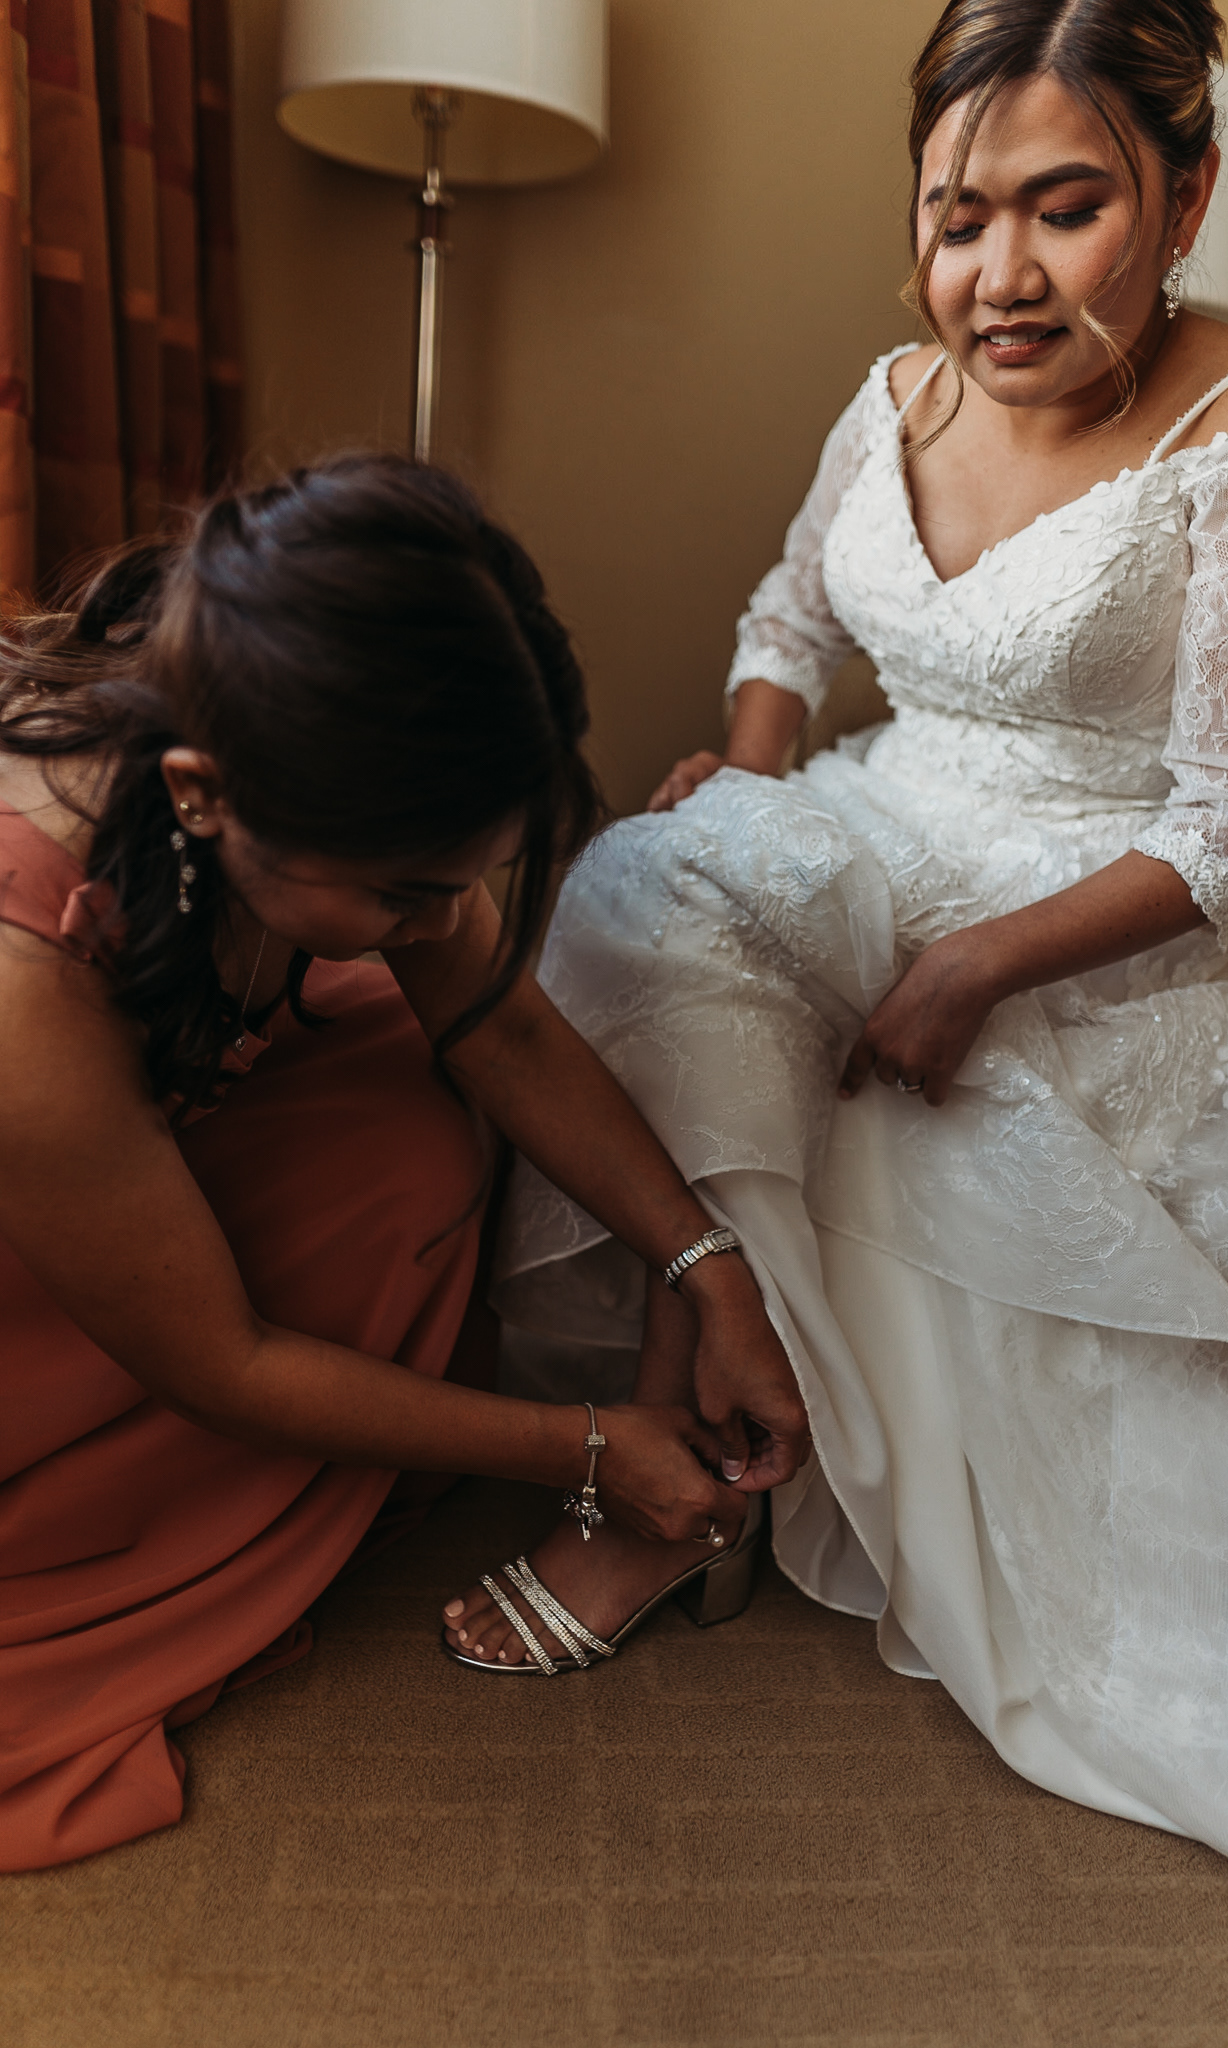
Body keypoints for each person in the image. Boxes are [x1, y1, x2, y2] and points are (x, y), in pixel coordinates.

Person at [470, 0, 1228, 1923]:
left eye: (1065, 208)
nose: (998, 275)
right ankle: (702, 1414)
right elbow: (788, 620)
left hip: (1092, 925)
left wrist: (971, 972)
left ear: (1186, 193)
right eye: (959, 218)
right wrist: (751, 762)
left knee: (774, 1029)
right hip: (876, 824)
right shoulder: (898, 391)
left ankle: (661, 1496)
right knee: (642, 896)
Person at [0, 455, 809, 1871]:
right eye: (402, 894)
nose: (440, 925)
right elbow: (223, 1362)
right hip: (42, 1192)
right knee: (362, 1191)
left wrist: (710, 1270)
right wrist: (585, 1446)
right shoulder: (21, 992)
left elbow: (505, 1032)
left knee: (416, 1129)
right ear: (201, 796)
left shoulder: (305, 729)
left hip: (124, 1109)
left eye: (463, 880)